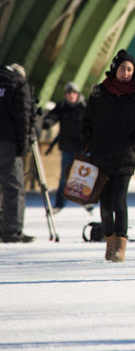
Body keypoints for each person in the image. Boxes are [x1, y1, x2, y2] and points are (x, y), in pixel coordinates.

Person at [81, 50, 135, 260]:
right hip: (100, 156)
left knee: (119, 202)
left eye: (129, 69)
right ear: (114, 69)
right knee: (106, 205)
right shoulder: (99, 94)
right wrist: (90, 144)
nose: (126, 73)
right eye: (122, 69)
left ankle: (120, 245)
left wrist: (134, 142)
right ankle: (109, 241)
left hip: (125, 158)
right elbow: (86, 123)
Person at [0, 63, 34, 243]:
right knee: (14, 187)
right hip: (8, 142)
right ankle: (12, 231)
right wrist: (24, 143)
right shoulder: (18, 84)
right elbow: (23, 115)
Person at [42, 82, 87, 213]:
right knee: (65, 176)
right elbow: (53, 116)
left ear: (77, 94)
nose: (71, 96)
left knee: (84, 175)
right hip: (67, 146)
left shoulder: (84, 106)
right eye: (68, 93)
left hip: (81, 146)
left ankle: (85, 200)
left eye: (74, 93)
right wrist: (47, 123)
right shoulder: (62, 106)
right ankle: (59, 203)